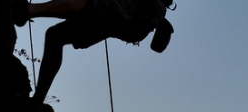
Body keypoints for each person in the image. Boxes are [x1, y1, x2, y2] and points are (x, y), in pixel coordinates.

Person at [12, 0, 175, 104]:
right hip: (130, 20)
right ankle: (37, 101)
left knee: (88, 3)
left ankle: (28, 10)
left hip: (134, 10)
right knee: (56, 36)